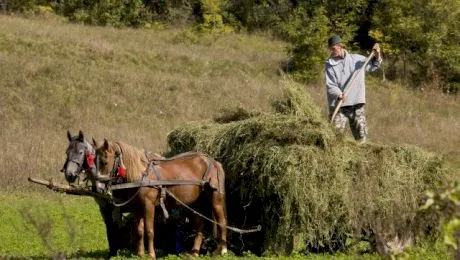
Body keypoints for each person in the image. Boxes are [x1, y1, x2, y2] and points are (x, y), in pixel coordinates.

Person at [325, 35, 382, 143]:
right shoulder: (330, 64)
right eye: (330, 49)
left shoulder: (357, 59)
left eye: (333, 48)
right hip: (339, 105)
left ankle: (362, 156)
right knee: (334, 137)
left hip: (356, 104)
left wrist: (377, 54)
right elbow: (331, 85)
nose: (332, 51)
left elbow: (374, 65)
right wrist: (339, 94)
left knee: (361, 136)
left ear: (340, 46)